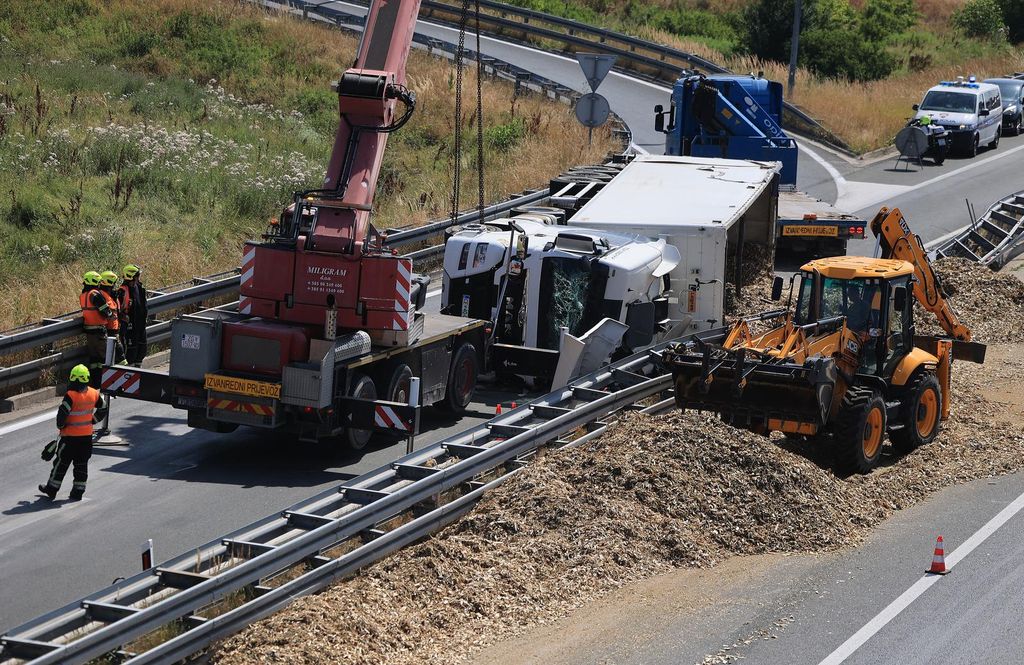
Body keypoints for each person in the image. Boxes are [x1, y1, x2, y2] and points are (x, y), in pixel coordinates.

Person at [38, 365, 107, 501]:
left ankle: (52, 489)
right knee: (81, 465)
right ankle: (78, 492)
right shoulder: (94, 393)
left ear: (72, 378)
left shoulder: (71, 395)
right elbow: (103, 408)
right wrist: (93, 420)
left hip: (69, 438)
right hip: (86, 439)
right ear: (86, 378)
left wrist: (61, 426)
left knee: (61, 464)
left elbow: (62, 415)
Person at [80, 271, 114, 388]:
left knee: (94, 360)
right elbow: (105, 310)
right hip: (99, 331)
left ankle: (95, 383)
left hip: (89, 332)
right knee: (105, 358)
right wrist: (110, 314)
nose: (100, 284)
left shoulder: (83, 295)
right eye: (98, 282)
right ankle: (107, 383)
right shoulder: (94, 294)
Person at [117, 264, 148, 366]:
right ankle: (130, 373)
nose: (138, 278)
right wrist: (123, 318)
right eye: (137, 275)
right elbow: (117, 310)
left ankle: (138, 368)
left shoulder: (140, 288)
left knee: (142, 349)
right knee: (131, 352)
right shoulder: (122, 291)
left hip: (141, 326)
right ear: (132, 276)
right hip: (130, 328)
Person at [98, 270, 123, 363]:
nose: (115, 285)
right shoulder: (102, 295)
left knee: (116, 357)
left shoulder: (110, 295)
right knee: (119, 357)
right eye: (114, 283)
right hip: (109, 331)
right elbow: (106, 311)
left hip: (115, 329)